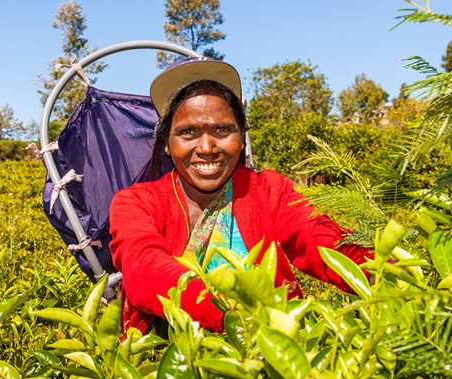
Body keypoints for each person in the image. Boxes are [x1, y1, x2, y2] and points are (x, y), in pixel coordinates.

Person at [109, 57, 372, 334]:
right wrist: (236, 318)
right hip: (171, 361)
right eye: (187, 133)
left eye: (222, 130)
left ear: (241, 137)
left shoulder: (268, 191)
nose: (207, 147)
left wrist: (391, 274)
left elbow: (325, 242)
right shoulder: (135, 202)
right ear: (166, 144)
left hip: (275, 351)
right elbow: (145, 271)